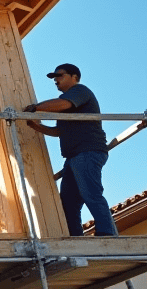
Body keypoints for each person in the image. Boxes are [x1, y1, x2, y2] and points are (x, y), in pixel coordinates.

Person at [24, 63, 117, 237]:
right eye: (54, 77)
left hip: (88, 152)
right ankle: (76, 237)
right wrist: (36, 126)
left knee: (91, 193)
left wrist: (36, 108)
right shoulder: (65, 105)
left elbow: (63, 104)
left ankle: (107, 235)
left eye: (59, 75)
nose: (55, 80)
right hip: (74, 157)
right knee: (68, 203)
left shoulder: (79, 91)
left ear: (74, 77)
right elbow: (58, 131)